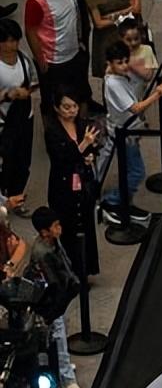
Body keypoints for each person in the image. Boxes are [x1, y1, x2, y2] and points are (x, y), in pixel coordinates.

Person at [99, 40, 162, 224]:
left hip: (129, 130)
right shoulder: (114, 84)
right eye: (119, 63)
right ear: (110, 63)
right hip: (124, 133)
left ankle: (122, 199)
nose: (125, 66)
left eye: (126, 61)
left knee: (130, 168)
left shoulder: (114, 75)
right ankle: (113, 200)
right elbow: (135, 108)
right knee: (137, 172)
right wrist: (157, 94)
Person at [44, 85, 101, 276]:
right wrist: (83, 145)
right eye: (66, 107)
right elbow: (61, 159)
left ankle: (87, 268)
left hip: (82, 183)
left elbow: (91, 148)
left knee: (86, 226)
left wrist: (90, 155)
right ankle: (73, 272)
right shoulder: (52, 131)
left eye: (74, 106)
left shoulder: (82, 124)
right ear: (57, 108)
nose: (72, 111)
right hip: (63, 187)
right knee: (68, 230)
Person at [25, 0, 93, 115]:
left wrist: (80, 39)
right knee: (54, 102)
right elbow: (30, 31)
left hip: (74, 52)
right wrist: (41, 60)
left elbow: (75, 12)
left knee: (80, 94)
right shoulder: (36, 0)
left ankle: (81, 126)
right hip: (54, 61)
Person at [29, 206, 83, 388]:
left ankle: (60, 366)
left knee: (60, 333)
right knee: (58, 337)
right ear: (45, 231)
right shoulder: (42, 253)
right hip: (50, 302)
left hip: (59, 296)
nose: (60, 228)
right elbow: (53, 284)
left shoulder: (53, 242)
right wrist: (58, 304)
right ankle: (67, 379)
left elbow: (64, 265)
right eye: (55, 225)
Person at [79, 0, 140, 79]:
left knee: (136, 73)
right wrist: (124, 14)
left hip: (130, 35)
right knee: (111, 77)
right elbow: (98, 23)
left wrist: (112, 16)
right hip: (107, 39)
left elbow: (136, 9)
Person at [0, 19, 37, 217]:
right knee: (5, 163)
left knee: (23, 162)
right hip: (4, 123)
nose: (13, 45)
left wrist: (27, 92)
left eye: (15, 40)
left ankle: (17, 197)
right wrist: (8, 94)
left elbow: (34, 81)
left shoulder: (24, 60)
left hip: (24, 118)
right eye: (8, 41)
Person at [117, 16, 155, 95]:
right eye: (129, 40)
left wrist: (132, 64)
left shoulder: (146, 50)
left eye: (136, 38)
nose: (133, 43)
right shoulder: (117, 52)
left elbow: (148, 76)